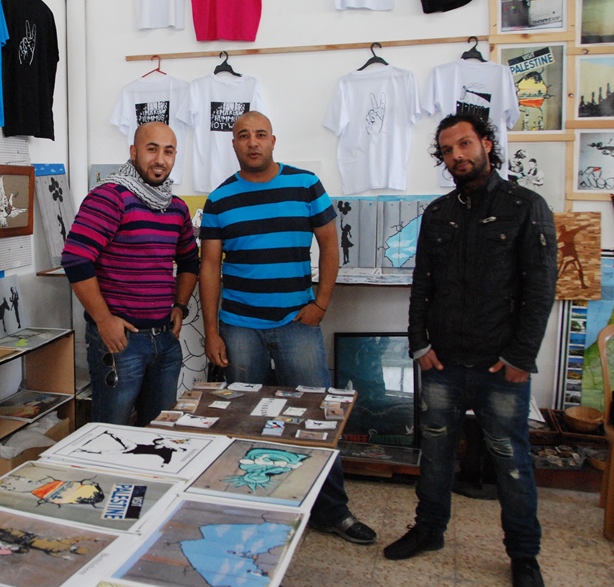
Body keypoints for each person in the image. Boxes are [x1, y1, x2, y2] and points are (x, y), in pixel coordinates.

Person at [383, 114, 557, 587]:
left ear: (485, 143)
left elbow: (541, 288)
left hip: (501, 365)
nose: (457, 155)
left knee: (511, 461)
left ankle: (524, 556)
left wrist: (523, 356)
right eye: (447, 150)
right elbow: (422, 285)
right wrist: (418, 343)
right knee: (436, 453)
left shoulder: (526, 206)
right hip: (441, 362)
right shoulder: (438, 214)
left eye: (464, 144)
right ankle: (428, 530)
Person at [199, 110, 376, 545]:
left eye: (260, 135)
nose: (252, 142)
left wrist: (321, 302)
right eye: (243, 136)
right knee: (245, 419)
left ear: (273, 140)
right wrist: (212, 331)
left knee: (317, 416)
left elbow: (331, 243)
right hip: (240, 326)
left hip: (297, 323)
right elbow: (209, 267)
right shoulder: (220, 199)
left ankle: (332, 511)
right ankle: (249, 504)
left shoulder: (305, 184)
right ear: (234, 144)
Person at [61, 121, 199, 427]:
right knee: (111, 432)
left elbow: (190, 260)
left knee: (159, 433)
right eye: (152, 149)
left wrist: (180, 306)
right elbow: (75, 258)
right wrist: (103, 320)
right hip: (120, 342)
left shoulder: (175, 207)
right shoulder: (111, 197)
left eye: (168, 151)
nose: (160, 159)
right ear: (134, 152)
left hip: (164, 341)